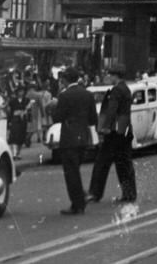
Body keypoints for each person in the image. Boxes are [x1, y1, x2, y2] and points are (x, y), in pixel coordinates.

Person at [50, 68, 98, 215]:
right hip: (83, 137)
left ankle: (77, 204)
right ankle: (80, 199)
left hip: (69, 137)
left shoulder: (64, 96)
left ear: (65, 80)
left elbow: (57, 117)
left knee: (71, 173)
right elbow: (93, 119)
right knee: (75, 169)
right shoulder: (88, 94)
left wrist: (53, 107)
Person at [88, 64, 137, 205]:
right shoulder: (126, 89)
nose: (107, 77)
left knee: (101, 163)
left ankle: (95, 193)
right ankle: (129, 193)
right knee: (124, 163)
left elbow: (111, 111)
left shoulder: (116, 91)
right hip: (125, 131)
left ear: (115, 76)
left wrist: (105, 127)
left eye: (109, 75)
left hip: (114, 132)